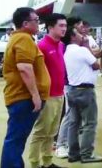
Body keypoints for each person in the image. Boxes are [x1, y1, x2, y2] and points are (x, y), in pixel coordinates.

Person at [0, 7, 50, 168]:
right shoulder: (23, 39)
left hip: (22, 98)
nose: (39, 23)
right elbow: (24, 67)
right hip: (24, 98)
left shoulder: (21, 38)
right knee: (15, 141)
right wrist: (35, 95)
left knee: (16, 140)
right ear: (25, 23)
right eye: (36, 20)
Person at [27, 13, 68, 168]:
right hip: (47, 96)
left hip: (59, 94)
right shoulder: (42, 46)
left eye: (65, 25)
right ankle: (35, 164)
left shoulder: (60, 45)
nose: (64, 29)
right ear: (51, 27)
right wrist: (36, 95)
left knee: (52, 132)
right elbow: (34, 72)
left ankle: (47, 162)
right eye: (61, 26)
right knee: (40, 133)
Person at [64, 27, 102, 163]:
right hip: (85, 90)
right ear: (73, 37)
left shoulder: (67, 51)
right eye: (78, 34)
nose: (82, 36)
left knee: (74, 123)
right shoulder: (81, 50)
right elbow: (96, 65)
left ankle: (73, 153)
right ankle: (87, 154)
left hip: (72, 89)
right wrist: (87, 45)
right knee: (90, 123)